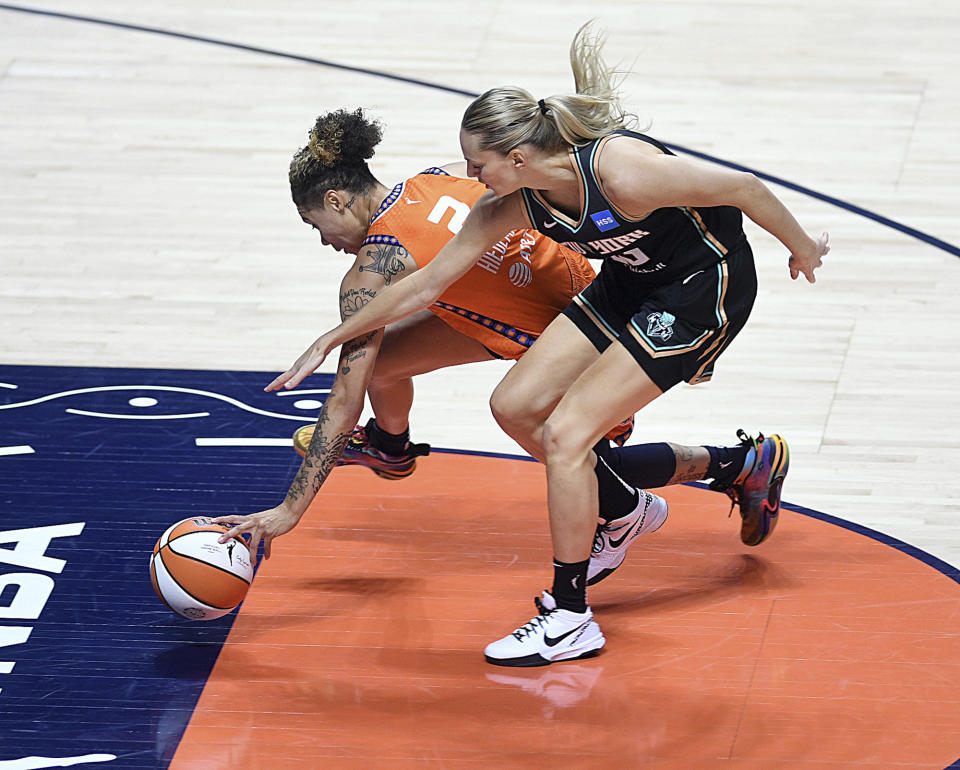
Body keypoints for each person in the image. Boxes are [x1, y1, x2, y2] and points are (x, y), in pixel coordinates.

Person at [268, 21, 830, 668]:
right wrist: (332, 337)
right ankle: (638, 502)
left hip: (700, 289)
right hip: (624, 284)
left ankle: (571, 613)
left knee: (568, 437)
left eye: (478, 166)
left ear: (516, 158)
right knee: (514, 407)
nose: (471, 177)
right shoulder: (507, 202)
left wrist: (802, 248)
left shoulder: (621, 173)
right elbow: (428, 285)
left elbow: (743, 189)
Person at [213, 107, 636, 561]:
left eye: (314, 224)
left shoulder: (372, 271)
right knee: (384, 363)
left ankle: (722, 462)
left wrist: (289, 510)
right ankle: (390, 446)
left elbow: (343, 399)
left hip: (567, 341)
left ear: (336, 200)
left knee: (597, 469)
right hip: (599, 294)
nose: (323, 240)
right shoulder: (446, 175)